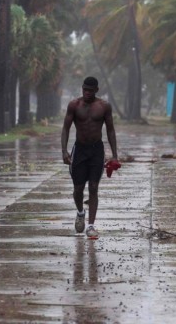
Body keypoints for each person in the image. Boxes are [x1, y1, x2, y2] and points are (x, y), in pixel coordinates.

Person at [61, 76, 119, 239]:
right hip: (79, 150)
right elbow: (65, 128)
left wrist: (114, 155)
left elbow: (111, 130)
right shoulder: (74, 105)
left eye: (90, 90)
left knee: (93, 187)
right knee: (78, 189)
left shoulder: (104, 106)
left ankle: (91, 226)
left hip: (96, 151)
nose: (86, 93)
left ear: (96, 90)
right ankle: (80, 212)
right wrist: (64, 151)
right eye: (84, 89)